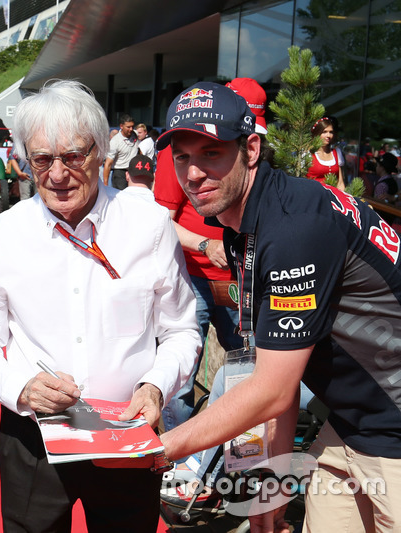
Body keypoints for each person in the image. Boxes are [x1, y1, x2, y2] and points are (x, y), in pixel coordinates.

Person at [156, 81, 401, 533]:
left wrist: (157, 449)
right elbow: (276, 371)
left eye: (211, 153)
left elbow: (272, 388)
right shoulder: (251, 219)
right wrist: (275, 476)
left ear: (251, 148)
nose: (192, 174)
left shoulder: (291, 228)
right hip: (352, 423)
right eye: (183, 157)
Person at [0, 80, 200, 532]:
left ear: (102, 152)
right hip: (33, 436)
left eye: (73, 156)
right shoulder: (1, 235)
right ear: (26, 161)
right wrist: (21, 387)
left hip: (128, 434)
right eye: (42, 159)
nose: (57, 174)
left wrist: (155, 386)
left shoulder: (148, 226)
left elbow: (182, 330)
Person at [156, 77, 267, 434]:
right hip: (195, 278)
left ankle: (234, 451)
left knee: (248, 369)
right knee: (181, 371)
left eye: (215, 151)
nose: (196, 170)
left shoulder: (260, 155)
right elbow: (161, 223)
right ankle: (175, 449)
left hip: (244, 281)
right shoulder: (181, 153)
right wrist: (206, 245)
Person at [307, 117, 345, 190]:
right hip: (312, 196)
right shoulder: (308, 153)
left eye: (331, 132)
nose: (328, 136)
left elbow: (340, 183)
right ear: (317, 133)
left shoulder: (336, 153)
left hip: (332, 197)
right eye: (324, 132)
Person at [103, 114, 138, 190]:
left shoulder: (135, 134)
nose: (131, 129)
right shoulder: (115, 141)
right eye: (128, 127)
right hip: (120, 173)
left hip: (133, 171)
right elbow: (108, 164)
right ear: (121, 126)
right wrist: (105, 184)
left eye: (132, 126)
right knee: (122, 196)